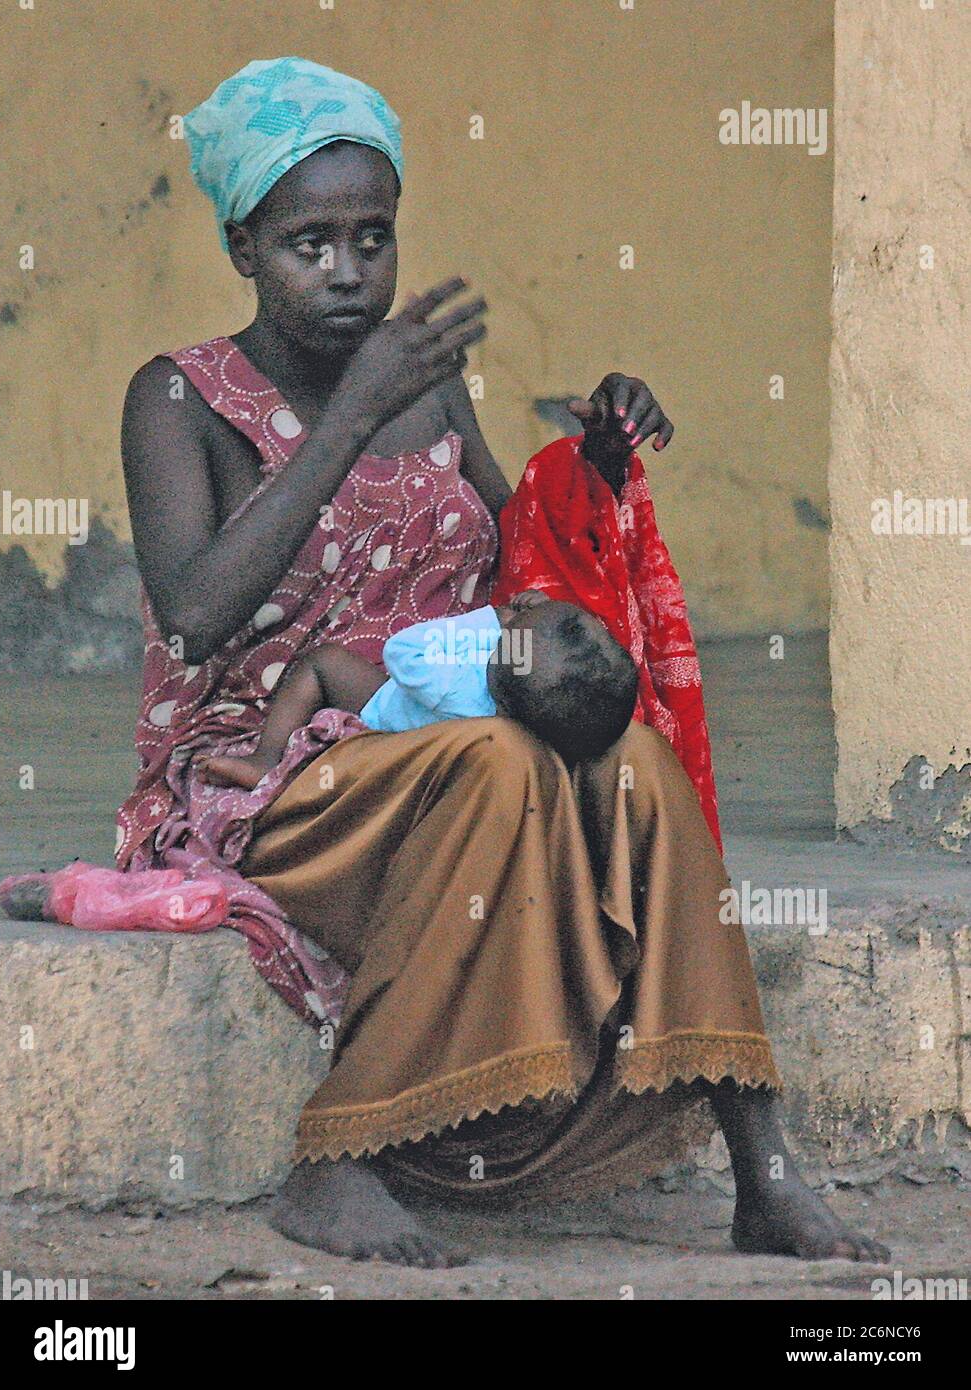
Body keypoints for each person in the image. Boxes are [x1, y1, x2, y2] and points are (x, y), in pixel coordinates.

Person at [116, 56, 889, 1267]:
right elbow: (197, 609)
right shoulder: (178, 400)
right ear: (240, 247)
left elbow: (516, 558)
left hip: (443, 735)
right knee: (497, 762)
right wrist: (354, 419)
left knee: (632, 757)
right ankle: (339, 1159)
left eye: (372, 236)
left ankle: (765, 1164)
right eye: (307, 241)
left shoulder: (429, 386)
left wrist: (595, 463)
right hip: (267, 774)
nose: (347, 269)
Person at [198, 590, 640, 790]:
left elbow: (402, 650)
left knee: (324, 663)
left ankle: (264, 761)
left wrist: (491, 619)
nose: (526, 606)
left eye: (516, 625)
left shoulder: (454, 689)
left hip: (384, 721)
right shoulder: (531, 709)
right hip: (426, 738)